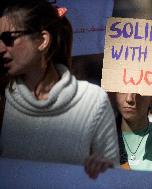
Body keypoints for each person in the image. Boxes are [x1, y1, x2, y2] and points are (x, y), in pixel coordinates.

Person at [0, 0, 119, 165]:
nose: (1, 48)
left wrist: (99, 170)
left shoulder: (93, 101)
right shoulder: (4, 99)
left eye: (8, 38)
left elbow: (109, 175)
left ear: (42, 40)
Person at [85, 89, 152, 178]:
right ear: (113, 94)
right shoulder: (100, 136)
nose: (130, 99)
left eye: (139, 92)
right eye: (123, 90)